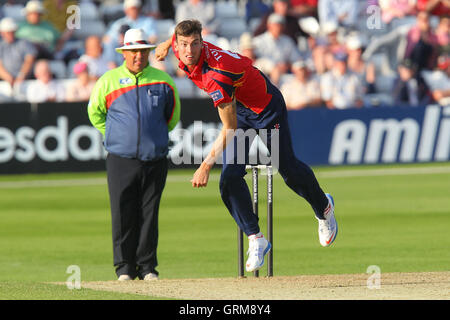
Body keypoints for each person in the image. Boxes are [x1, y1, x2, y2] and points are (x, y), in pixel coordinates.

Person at [155, 19, 337, 274]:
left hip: (266, 109)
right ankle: (256, 238)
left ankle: (324, 207)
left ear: (201, 42)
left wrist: (205, 165)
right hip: (241, 107)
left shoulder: (217, 75)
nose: (188, 51)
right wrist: (164, 46)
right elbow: (176, 39)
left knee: (287, 170)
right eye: (183, 44)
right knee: (229, 178)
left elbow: (228, 129)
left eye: (194, 44)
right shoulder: (180, 46)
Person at [88, 28, 180, 281]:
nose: (138, 56)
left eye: (142, 51)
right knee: (122, 212)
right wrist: (116, 135)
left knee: (150, 213)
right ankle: (124, 268)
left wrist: (154, 135)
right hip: (121, 158)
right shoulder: (108, 80)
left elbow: (172, 117)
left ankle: (148, 267)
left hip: (155, 158)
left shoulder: (163, 80)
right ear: (124, 53)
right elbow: (95, 113)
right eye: (133, 52)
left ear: (148, 53)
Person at [252, 13, 302, 85]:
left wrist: (287, 66)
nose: (278, 27)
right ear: (269, 26)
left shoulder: (287, 41)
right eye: (276, 25)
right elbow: (254, 60)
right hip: (264, 74)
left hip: (285, 74)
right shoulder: (258, 41)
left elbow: (296, 59)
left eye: (280, 25)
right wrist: (273, 68)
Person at [0, 17, 37, 88]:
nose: (11, 34)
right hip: (7, 81)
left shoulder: (24, 43)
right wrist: (8, 77)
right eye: (8, 32)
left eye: (12, 31)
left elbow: (29, 60)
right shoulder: (1, 46)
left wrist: (21, 76)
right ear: (2, 33)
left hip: (26, 80)